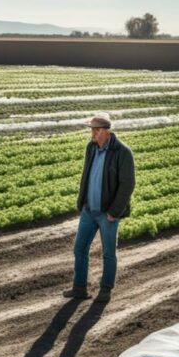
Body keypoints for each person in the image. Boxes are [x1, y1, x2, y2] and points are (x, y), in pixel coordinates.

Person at [63, 113, 136, 302]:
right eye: (92, 130)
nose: (92, 134)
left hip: (107, 213)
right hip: (89, 210)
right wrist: (83, 203)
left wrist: (114, 212)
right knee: (80, 249)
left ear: (105, 131)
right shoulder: (91, 148)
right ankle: (79, 287)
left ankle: (106, 289)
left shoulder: (122, 152)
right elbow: (86, 175)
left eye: (95, 130)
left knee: (108, 253)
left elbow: (127, 184)